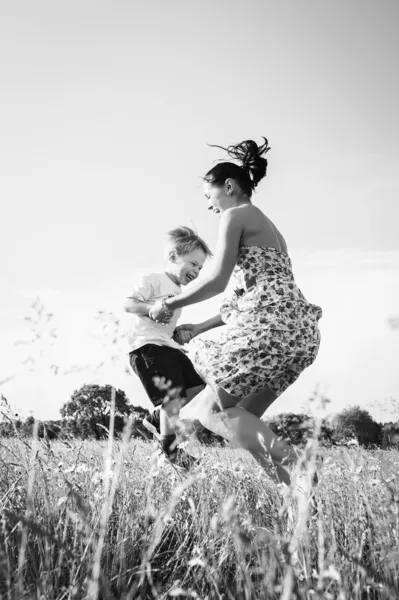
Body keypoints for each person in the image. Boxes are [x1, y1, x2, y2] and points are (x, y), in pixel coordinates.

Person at [150, 138, 322, 485]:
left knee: (211, 412)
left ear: (227, 186)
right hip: (297, 332)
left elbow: (216, 280)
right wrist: (199, 327)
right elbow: (242, 298)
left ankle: (300, 463)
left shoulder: (235, 215)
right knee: (241, 419)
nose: (210, 206)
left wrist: (169, 303)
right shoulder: (270, 228)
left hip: (270, 328)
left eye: (208, 196)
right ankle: (296, 496)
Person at [124, 226, 212, 467]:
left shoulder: (178, 292)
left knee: (197, 384)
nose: (196, 270)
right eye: (192, 263)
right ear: (173, 257)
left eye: (200, 267)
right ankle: (170, 450)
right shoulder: (153, 279)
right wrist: (151, 310)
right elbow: (129, 304)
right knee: (172, 397)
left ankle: (155, 418)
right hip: (147, 347)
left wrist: (176, 331)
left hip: (166, 344)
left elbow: (164, 323)